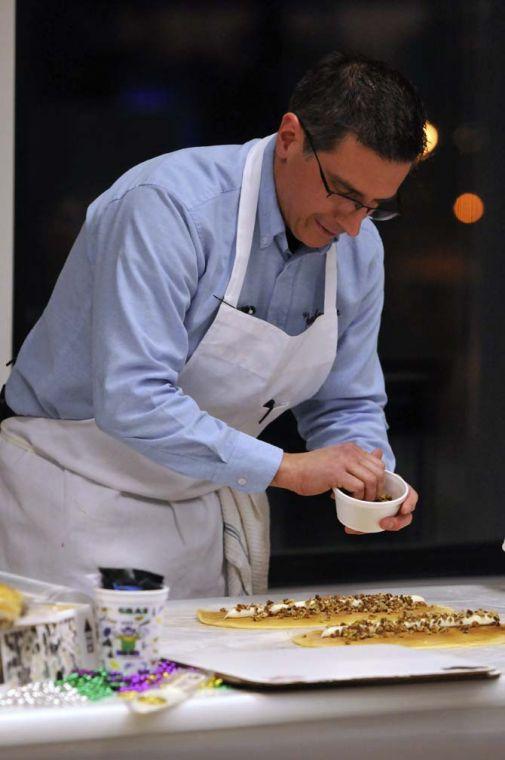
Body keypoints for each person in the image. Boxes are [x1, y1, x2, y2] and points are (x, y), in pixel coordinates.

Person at [0, 51, 424, 598]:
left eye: (375, 206)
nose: (351, 224)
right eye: (342, 193)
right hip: (70, 499)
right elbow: (134, 397)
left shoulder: (360, 250)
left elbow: (345, 401)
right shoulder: (168, 207)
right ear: (291, 137)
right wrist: (288, 469)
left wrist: (373, 478)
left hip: (200, 509)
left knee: (203, 683)